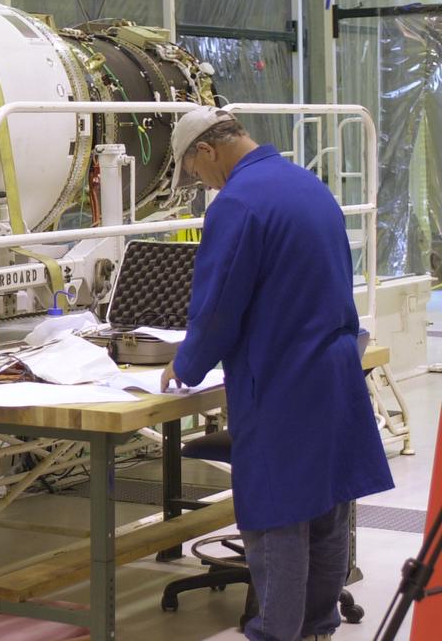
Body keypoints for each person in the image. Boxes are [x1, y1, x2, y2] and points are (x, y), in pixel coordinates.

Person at [160, 107, 393, 641]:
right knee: (326, 510)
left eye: (195, 172)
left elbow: (218, 305)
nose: (201, 183)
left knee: (278, 517)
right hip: (334, 368)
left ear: (207, 151)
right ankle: (316, 628)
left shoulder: (238, 202)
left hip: (284, 380)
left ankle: (276, 632)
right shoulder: (306, 184)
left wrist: (187, 362)